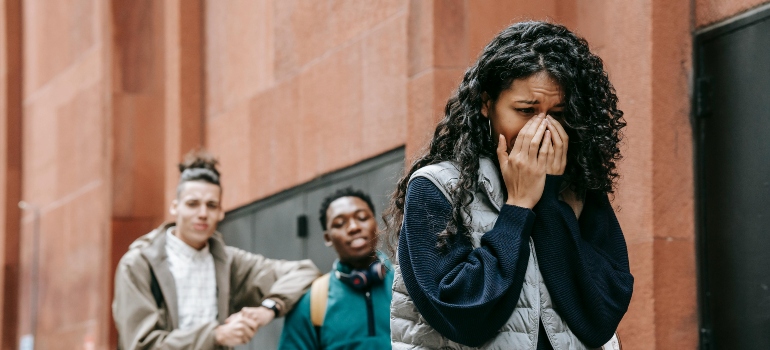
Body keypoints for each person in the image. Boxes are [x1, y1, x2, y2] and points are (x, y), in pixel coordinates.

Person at [384, 21, 634, 349]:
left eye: (557, 114)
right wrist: (517, 208)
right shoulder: (437, 187)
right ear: (486, 104)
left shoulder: (577, 185)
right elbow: (463, 316)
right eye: (525, 110)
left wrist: (548, 200)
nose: (542, 130)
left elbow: (600, 316)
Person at [113, 150, 321, 349]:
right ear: (175, 207)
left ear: (221, 212)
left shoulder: (228, 263)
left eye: (211, 205)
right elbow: (141, 345)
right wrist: (216, 335)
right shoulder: (139, 264)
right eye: (193, 204)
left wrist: (269, 309)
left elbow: (304, 272)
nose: (203, 213)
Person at [278, 188, 393, 349]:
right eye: (340, 223)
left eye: (362, 217)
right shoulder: (311, 303)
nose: (353, 227)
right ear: (327, 238)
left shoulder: (408, 286)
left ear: (375, 223)